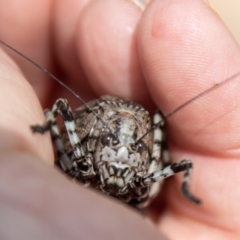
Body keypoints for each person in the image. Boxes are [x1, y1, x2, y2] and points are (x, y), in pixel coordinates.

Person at [0, 0, 239, 239]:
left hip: (135, 200)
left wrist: (182, 187)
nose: (120, 155)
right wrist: (43, 129)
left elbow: (184, 166)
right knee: (54, 112)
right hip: (75, 168)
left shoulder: (141, 182)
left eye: (130, 149)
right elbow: (61, 106)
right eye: (112, 144)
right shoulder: (84, 162)